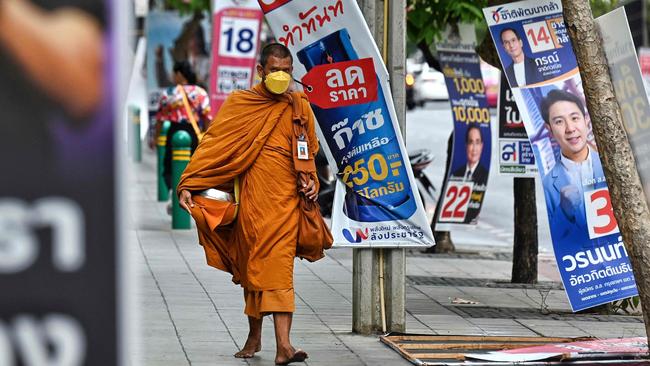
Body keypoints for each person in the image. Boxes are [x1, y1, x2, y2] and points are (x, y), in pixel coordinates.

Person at [177, 43, 319, 365]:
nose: (281, 76)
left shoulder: (299, 107)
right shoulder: (242, 104)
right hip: (253, 205)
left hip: (286, 206)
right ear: (260, 72)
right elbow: (214, 145)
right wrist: (190, 181)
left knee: (279, 272)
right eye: (274, 70)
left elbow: (308, 154)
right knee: (254, 269)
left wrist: (311, 183)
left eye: (286, 71)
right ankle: (255, 336)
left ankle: (284, 345)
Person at [540, 89, 606, 241]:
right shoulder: (549, 183)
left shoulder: (612, 166)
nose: (570, 128)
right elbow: (557, 238)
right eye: (559, 122)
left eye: (575, 118)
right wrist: (564, 211)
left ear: (586, 120)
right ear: (549, 129)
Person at [153, 61, 212, 190]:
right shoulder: (200, 92)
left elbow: (160, 120)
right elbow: (207, 118)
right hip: (194, 133)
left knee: (169, 168)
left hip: (174, 133)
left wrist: (156, 139)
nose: (173, 77)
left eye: (174, 74)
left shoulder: (169, 93)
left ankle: (174, 197)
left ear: (179, 74)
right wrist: (207, 139)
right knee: (193, 168)